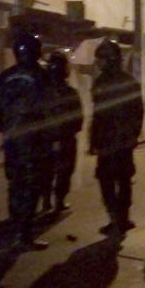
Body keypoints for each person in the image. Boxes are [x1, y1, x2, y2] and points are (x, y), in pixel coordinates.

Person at [0, 34, 51, 249]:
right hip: (34, 141)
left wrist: (6, 130)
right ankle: (23, 235)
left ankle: (16, 231)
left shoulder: (5, 76)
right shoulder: (41, 76)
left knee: (15, 185)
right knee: (30, 186)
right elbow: (48, 109)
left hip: (11, 140)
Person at [89, 38, 143, 236]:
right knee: (124, 180)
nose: (98, 63)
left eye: (100, 59)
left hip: (107, 142)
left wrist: (94, 141)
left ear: (109, 60)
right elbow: (138, 112)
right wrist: (133, 136)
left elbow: (98, 115)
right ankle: (123, 218)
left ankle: (114, 220)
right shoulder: (130, 82)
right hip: (123, 142)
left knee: (108, 182)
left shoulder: (101, 83)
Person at [40, 49, 82, 213]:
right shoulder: (70, 92)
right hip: (66, 138)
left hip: (44, 139)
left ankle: (45, 201)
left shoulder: (41, 92)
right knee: (64, 171)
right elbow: (78, 118)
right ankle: (59, 202)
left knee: (45, 170)